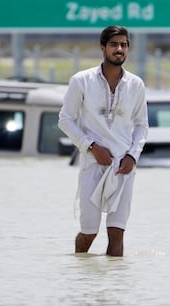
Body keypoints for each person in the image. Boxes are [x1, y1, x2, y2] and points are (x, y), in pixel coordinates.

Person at [58, 26, 148, 256]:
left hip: (123, 167)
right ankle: (82, 276)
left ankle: (114, 287)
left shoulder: (136, 84)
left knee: (117, 232)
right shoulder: (81, 80)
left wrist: (132, 156)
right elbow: (65, 120)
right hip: (93, 165)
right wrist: (91, 146)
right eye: (114, 44)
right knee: (89, 231)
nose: (119, 49)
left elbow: (141, 125)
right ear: (103, 48)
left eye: (124, 45)